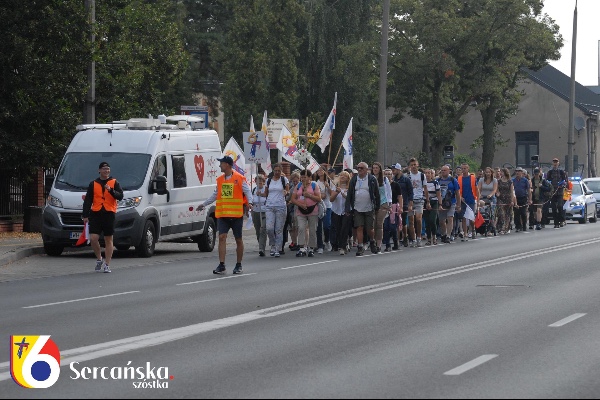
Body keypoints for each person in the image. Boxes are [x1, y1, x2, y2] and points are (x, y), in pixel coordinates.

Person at [197, 156, 253, 275]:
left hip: (236, 215)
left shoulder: (239, 178)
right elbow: (215, 194)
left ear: (227, 165)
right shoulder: (220, 180)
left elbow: (247, 191)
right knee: (222, 238)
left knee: (238, 239)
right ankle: (222, 265)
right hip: (223, 215)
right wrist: (204, 204)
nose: (219, 165)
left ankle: (238, 264)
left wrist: (251, 202)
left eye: (221, 163)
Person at [82, 161, 124, 273]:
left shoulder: (114, 182)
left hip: (109, 213)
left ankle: (107, 264)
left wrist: (111, 190)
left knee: (108, 239)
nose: (106, 171)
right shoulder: (93, 183)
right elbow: (88, 200)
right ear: (99, 170)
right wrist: (85, 215)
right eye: (104, 169)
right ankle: (99, 258)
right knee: (93, 238)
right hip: (96, 213)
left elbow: (120, 196)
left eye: (108, 169)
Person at [345, 162, 380, 256]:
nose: (359, 170)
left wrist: (377, 207)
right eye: (358, 168)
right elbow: (349, 194)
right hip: (357, 207)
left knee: (370, 228)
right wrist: (347, 208)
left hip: (369, 207)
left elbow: (377, 194)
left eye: (361, 168)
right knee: (359, 227)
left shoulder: (372, 179)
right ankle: (360, 247)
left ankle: (372, 241)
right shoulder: (354, 179)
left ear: (366, 169)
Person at [261, 163, 289, 258]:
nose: (277, 172)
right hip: (269, 206)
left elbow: (287, 190)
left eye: (279, 171)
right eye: (275, 170)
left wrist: (286, 192)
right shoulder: (268, 180)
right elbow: (266, 193)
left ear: (281, 171)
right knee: (269, 228)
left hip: (280, 206)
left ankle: (277, 248)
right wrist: (259, 194)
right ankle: (272, 245)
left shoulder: (283, 180)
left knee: (278, 229)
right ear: (273, 171)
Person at [292, 169, 321, 257]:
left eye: (305, 177)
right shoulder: (298, 185)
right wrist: (300, 205)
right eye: (302, 177)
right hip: (301, 211)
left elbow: (319, 198)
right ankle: (301, 247)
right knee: (301, 228)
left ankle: (311, 248)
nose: (303, 179)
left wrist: (309, 195)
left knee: (312, 229)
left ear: (309, 177)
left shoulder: (314, 185)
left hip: (312, 210)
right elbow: (293, 199)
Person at [391, 163, 414, 247]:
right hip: (394, 203)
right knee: (395, 222)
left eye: (394, 170)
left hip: (404, 203)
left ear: (398, 170)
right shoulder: (393, 180)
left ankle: (405, 237)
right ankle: (397, 239)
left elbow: (410, 192)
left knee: (403, 222)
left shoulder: (406, 180)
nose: (393, 172)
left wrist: (410, 204)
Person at [372, 162, 392, 253]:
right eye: (374, 168)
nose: (375, 169)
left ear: (380, 169)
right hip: (373, 204)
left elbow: (389, 192)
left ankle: (379, 245)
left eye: (377, 168)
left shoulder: (384, 179)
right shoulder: (370, 179)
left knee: (379, 224)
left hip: (383, 203)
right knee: (373, 224)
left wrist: (389, 205)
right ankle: (373, 242)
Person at [330, 171, 352, 255]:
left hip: (346, 211)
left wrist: (342, 193)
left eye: (345, 176)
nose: (342, 177)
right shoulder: (335, 187)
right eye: (341, 175)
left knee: (344, 228)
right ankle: (343, 243)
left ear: (348, 178)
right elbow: (331, 199)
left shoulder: (349, 187)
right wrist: (336, 193)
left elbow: (350, 199)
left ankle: (342, 247)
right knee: (338, 229)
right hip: (336, 210)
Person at [408, 158, 428, 247]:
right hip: (410, 200)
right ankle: (413, 239)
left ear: (417, 165)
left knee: (418, 219)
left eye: (415, 165)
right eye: (412, 165)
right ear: (409, 166)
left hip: (419, 199)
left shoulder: (422, 175)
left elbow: (425, 188)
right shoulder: (407, 176)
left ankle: (419, 237)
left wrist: (427, 201)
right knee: (411, 221)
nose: (413, 167)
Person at [438, 165, 461, 244]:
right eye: (442, 170)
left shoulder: (453, 180)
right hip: (442, 202)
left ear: (449, 171)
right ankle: (443, 234)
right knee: (442, 220)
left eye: (445, 170)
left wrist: (458, 204)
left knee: (450, 218)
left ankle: (448, 235)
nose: (443, 172)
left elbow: (457, 193)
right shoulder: (438, 180)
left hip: (451, 201)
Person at [458, 163, 479, 241]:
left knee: (471, 218)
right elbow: (458, 190)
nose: (463, 170)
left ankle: (473, 230)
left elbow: (477, 190)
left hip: (471, 200)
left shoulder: (473, 178)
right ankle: (465, 233)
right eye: (462, 168)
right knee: (464, 217)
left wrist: (478, 200)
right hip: (463, 200)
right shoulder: (459, 178)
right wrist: (460, 197)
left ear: (468, 169)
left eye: (465, 168)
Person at [383, 168, 403, 251]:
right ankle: (387, 245)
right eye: (386, 174)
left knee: (393, 226)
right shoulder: (382, 184)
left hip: (394, 206)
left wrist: (401, 207)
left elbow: (400, 196)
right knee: (385, 226)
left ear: (392, 175)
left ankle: (396, 243)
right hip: (384, 206)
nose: (388, 176)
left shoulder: (396, 185)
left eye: (389, 174)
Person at [546, 158, 569, 229]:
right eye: (554, 162)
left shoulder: (562, 172)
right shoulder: (550, 172)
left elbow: (566, 181)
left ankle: (562, 220)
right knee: (553, 208)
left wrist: (563, 184)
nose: (555, 163)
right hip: (552, 192)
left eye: (556, 162)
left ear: (558, 163)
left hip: (559, 192)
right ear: (552, 163)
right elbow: (547, 181)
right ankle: (556, 223)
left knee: (560, 206)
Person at [314, 167, 333, 254]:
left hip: (328, 206)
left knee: (327, 225)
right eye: (318, 170)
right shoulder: (315, 183)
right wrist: (321, 195)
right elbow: (314, 194)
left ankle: (327, 240)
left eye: (321, 170)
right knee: (318, 227)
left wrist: (328, 187)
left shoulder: (329, 181)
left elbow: (332, 194)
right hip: (318, 206)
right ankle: (320, 245)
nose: (319, 172)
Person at [478, 167, 498, 235]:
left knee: (491, 213)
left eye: (489, 172)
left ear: (491, 173)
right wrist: (479, 195)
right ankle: (481, 228)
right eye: (486, 172)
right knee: (482, 212)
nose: (488, 174)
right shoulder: (481, 180)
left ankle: (490, 229)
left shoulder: (494, 180)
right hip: (482, 198)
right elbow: (478, 188)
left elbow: (494, 189)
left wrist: (490, 195)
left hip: (491, 198)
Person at [424, 168, 442, 245]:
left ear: (432, 174)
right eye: (426, 173)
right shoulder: (423, 183)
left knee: (432, 220)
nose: (427, 175)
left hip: (434, 202)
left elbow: (438, 194)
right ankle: (428, 238)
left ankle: (434, 236)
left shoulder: (435, 182)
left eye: (429, 173)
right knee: (427, 221)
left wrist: (440, 204)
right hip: (425, 202)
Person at [251, 175, 268, 257]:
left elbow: (268, 198)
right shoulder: (254, 190)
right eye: (258, 181)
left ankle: (262, 248)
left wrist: (261, 195)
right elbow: (251, 200)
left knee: (263, 229)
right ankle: (261, 245)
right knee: (258, 230)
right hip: (256, 212)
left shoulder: (266, 189)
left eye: (261, 181)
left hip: (264, 212)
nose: (260, 182)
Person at [496, 168, 516, 235]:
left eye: (501, 172)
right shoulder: (498, 181)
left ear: (505, 172)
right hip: (501, 199)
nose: (500, 173)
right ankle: (501, 228)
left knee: (508, 214)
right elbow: (497, 189)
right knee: (501, 214)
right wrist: (497, 193)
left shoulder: (510, 181)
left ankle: (507, 227)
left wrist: (512, 200)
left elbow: (511, 192)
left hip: (508, 198)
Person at [512, 167, 532, 232]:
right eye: (516, 171)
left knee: (523, 213)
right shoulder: (513, 180)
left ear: (522, 173)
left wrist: (530, 199)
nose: (517, 173)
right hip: (516, 198)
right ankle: (518, 226)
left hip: (523, 198)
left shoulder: (525, 180)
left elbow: (529, 190)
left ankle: (524, 225)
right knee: (516, 213)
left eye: (519, 171)